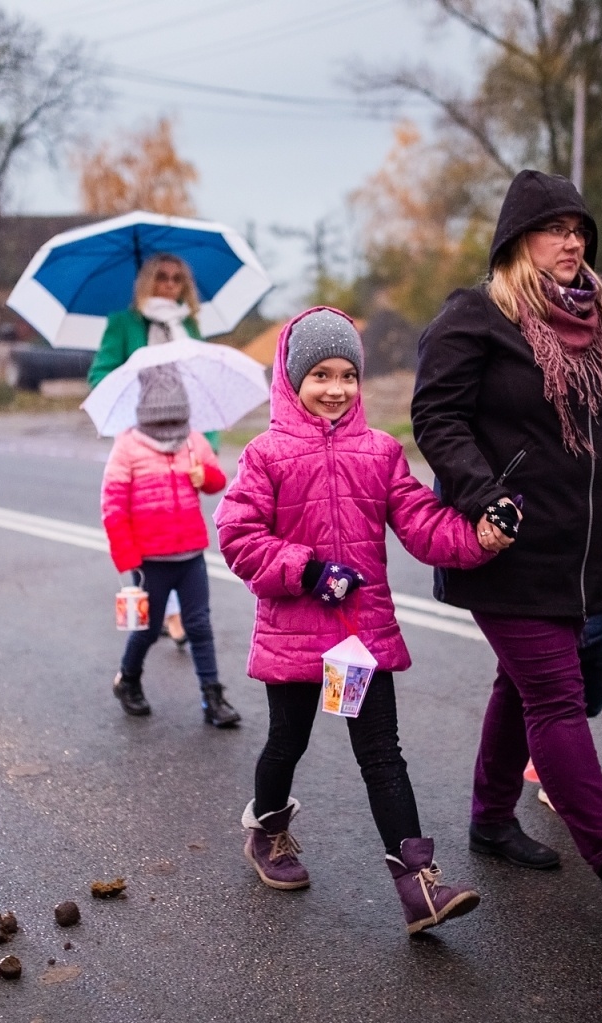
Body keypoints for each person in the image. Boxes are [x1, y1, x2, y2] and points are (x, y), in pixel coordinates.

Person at [413, 170, 602, 910]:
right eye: (553, 229)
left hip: (584, 550)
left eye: (578, 230)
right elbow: (436, 416)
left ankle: (491, 819)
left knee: (522, 682)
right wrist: (484, 493)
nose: (571, 242)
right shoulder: (477, 314)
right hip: (509, 545)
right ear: (516, 240)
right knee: (558, 699)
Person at [216, 307, 492, 934]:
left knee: (381, 755)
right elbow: (237, 535)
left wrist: (480, 537)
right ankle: (268, 832)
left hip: (356, 640)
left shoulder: (382, 452)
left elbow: (423, 523)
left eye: (347, 375)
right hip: (293, 636)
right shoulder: (266, 455)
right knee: (288, 742)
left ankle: (419, 886)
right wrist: (307, 569)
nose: (336, 389)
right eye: (320, 375)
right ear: (292, 380)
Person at [101, 364, 239, 727]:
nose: (170, 433)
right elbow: (113, 508)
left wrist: (204, 476)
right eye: (163, 423)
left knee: (199, 624)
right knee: (147, 629)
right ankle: (128, 680)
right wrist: (129, 559)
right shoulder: (127, 447)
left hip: (191, 553)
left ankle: (213, 697)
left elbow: (218, 481)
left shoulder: (193, 441)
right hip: (149, 561)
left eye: (176, 421)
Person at [90, 253, 209, 649]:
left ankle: (171, 612)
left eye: (177, 278)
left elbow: (202, 374)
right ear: (147, 281)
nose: (170, 285)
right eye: (161, 277)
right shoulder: (123, 324)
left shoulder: (187, 325)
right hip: (140, 435)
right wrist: (137, 382)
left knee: (179, 526)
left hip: (186, 435)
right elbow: (100, 373)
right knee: (149, 526)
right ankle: (165, 612)